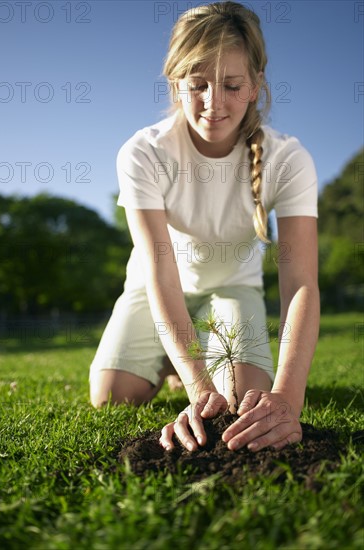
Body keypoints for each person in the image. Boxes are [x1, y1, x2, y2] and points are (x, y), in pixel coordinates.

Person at [89, 1, 320, 454]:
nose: (213, 104)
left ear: (255, 85)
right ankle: (176, 363)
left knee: (241, 400)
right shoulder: (143, 152)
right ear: (176, 84)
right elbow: (161, 274)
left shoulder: (289, 159)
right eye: (197, 85)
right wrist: (198, 386)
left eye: (232, 85)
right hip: (157, 286)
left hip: (234, 286)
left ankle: (201, 351)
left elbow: (301, 283)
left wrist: (289, 399)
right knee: (111, 397)